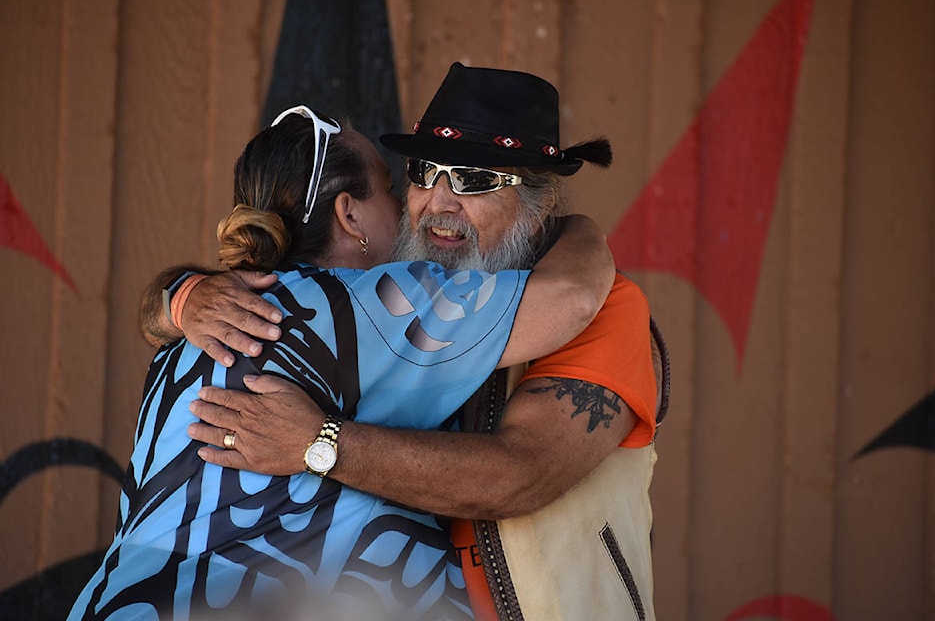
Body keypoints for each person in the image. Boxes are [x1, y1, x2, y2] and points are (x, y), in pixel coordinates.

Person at [150, 63, 668, 620]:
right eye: (424, 172)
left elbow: (519, 475)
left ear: (541, 204)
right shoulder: (379, 302)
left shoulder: (607, 308)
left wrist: (321, 443)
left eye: (474, 180)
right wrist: (182, 295)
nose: (436, 203)